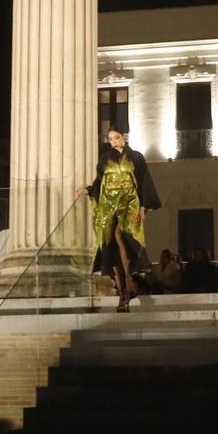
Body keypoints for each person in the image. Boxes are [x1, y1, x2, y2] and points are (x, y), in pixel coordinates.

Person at [75, 125, 161, 311]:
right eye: (110, 139)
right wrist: (87, 190)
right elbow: (100, 182)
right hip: (108, 205)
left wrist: (143, 207)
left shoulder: (136, 157)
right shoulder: (105, 159)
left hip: (129, 203)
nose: (113, 142)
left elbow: (143, 180)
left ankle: (129, 280)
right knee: (108, 245)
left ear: (124, 137)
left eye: (116, 138)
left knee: (121, 235)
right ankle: (123, 294)